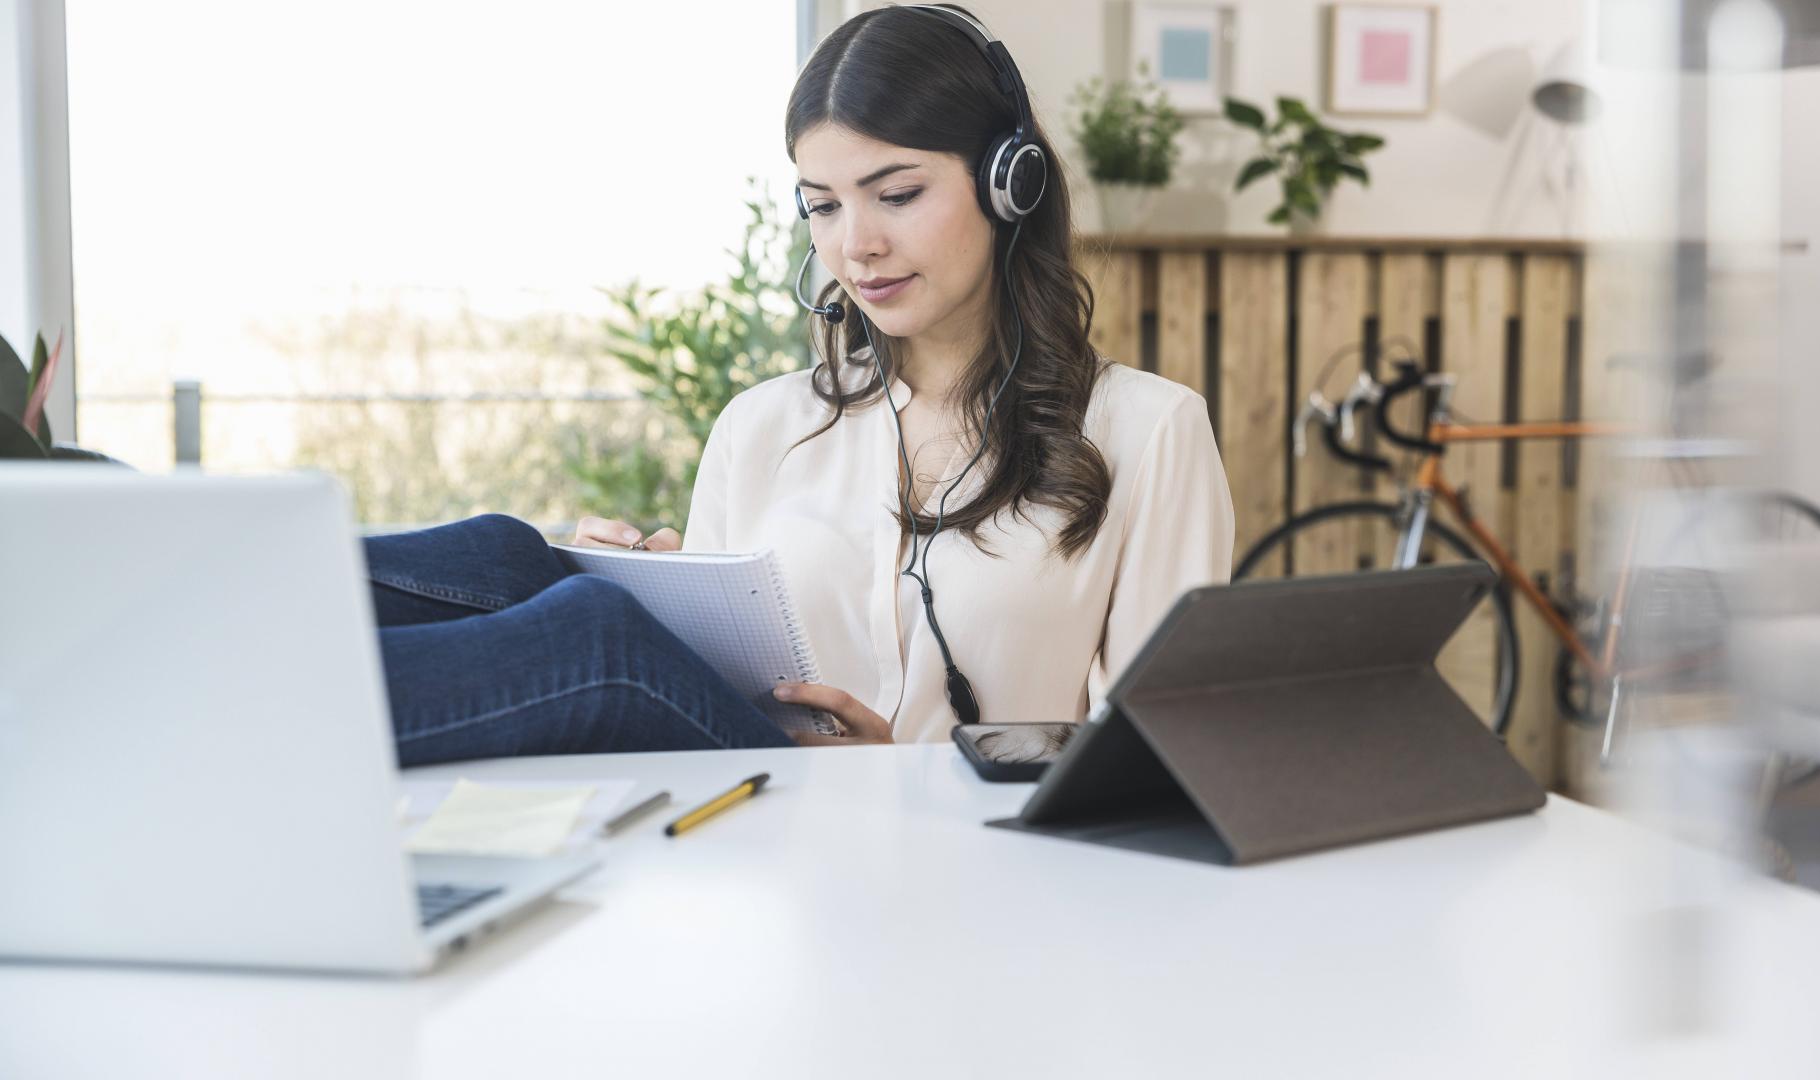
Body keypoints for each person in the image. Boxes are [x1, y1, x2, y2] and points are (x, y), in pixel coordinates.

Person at [365, 3, 1233, 767]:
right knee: (515, 559)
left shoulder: (1146, 430)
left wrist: (902, 776)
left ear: (1011, 185)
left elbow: (1157, 762)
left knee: (595, 636)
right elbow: (713, 698)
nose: (856, 245)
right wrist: (656, 596)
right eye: (822, 205)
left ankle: (248, 686)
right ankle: (250, 619)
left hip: (978, 872)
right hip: (769, 835)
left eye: (895, 194)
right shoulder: (762, 425)